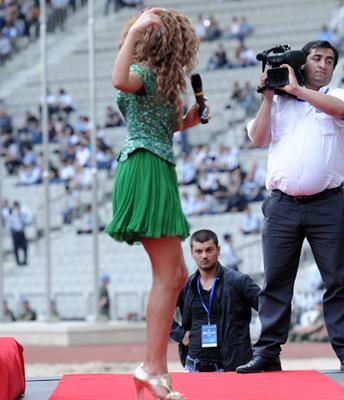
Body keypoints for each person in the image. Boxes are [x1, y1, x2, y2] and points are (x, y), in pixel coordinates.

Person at [236, 40, 344, 374]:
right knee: (275, 282)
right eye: (316, 58)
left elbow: (340, 111)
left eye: (329, 60)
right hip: (282, 205)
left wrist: (297, 89)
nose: (323, 64)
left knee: (337, 280)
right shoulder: (279, 103)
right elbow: (258, 138)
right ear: (302, 63)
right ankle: (268, 351)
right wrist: (268, 97)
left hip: (326, 204)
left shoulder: (340, 95)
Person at [105, 8, 203, 400]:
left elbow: (159, 124)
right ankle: (152, 368)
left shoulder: (160, 79)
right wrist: (135, 31)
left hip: (156, 165)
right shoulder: (142, 72)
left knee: (176, 274)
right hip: (145, 165)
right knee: (167, 275)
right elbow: (118, 80)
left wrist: (187, 122)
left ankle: (153, 367)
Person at [170, 230, 260, 372]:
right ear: (192, 253)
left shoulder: (239, 281)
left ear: (218, 250)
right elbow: (160, 312)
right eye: (198, 251)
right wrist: (179, 334)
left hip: (232, 367)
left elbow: (269, 310)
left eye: (209, 250)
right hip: (194, 366)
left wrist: (265, 345)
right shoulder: (186, 286)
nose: (204, 256)